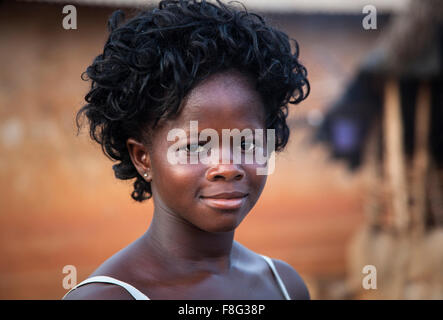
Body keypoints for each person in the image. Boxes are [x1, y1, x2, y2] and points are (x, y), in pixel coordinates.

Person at [63, 0, 310, 300]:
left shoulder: (284, 286)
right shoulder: (107, 298)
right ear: (143, 158)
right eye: (195, 146)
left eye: (247, 143)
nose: (228, 167)